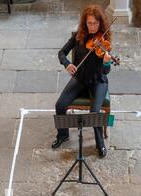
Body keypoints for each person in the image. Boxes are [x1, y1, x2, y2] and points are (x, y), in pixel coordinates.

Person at [52, 4, 112, 158]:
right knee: (60, 105)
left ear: (101, 23)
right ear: (85, 23)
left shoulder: (103, 41)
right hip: (80, 79)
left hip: (98, 81)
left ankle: (100, 144)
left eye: (96, 23)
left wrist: (106, 62)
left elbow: (106, 72)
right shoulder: (78, 36)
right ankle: (63, 135)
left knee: (95, 112)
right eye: (90, 23)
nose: (93, 27)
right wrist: (67, 64)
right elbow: (61, 53)